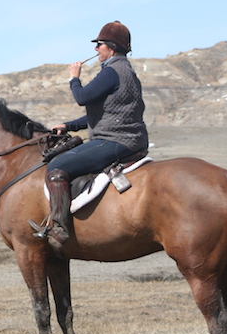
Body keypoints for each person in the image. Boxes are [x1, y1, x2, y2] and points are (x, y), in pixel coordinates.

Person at [29, 21, 149, 251]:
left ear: (111, 48)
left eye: (99, 45)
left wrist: (74, 77)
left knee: (57, 166)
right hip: (130, 139)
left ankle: (59, 229)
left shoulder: (112, 72)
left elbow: (82, 97)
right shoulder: (127, 71)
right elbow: (102, 113)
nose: (96, 49)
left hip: (116, 141)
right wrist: (69, 125)